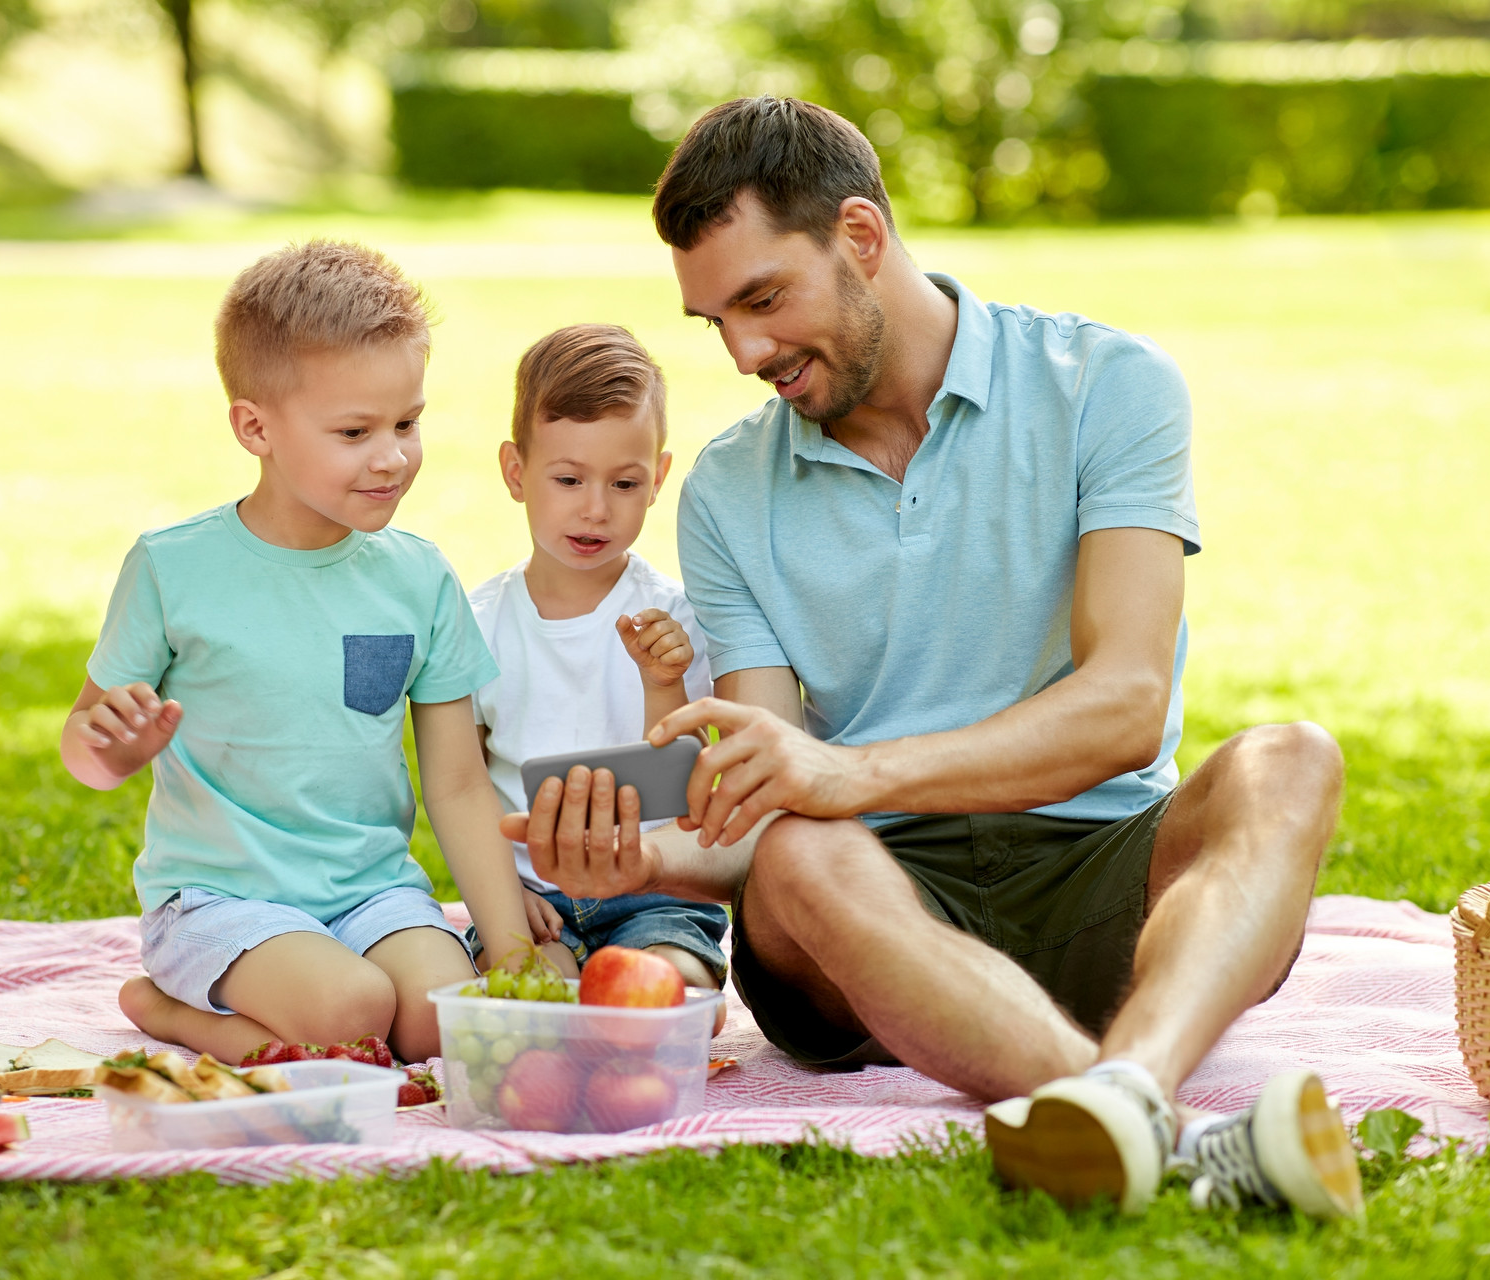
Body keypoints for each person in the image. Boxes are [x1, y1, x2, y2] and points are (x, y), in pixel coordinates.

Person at [505, 97, 1364, 1220]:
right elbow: (764, 804)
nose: (746, 351)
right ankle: (1188, 1135)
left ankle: (1125, 1105)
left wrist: (850, 773)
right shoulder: (725, 487)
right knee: (804, 853)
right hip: (867, 920)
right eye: (714, 319)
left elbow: (1125, 706)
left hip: (1100, 868)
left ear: (861, 237)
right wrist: (650, 861)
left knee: (1291, 758)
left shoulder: (1109, 384)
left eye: (764, 298)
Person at [60, 240, 531, 1067]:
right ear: (255, 427)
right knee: (353, 1008)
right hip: (219, 901)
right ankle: (175, 1011)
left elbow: (456, 783)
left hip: (371, 894)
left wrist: (512, 948)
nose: (392, 456)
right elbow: (85, 750)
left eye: (408, 423)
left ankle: (300, 1002)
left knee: (440, 1019)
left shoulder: (418, 577)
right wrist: (113, 749)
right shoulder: (173, 567)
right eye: (355, 431)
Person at [467, 324, 729, 1002]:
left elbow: (682, 785)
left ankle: (640, 996)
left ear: (658, 479)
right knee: (533, 1006)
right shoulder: (480, 623)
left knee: (680, 995)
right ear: (516, 472)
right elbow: (462, 786)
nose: (594, 508)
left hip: (652, 896)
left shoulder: (673, 617)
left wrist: (661, 682)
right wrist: (502, 901)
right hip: (533, 901)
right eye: (568, 479)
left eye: (623, 482)